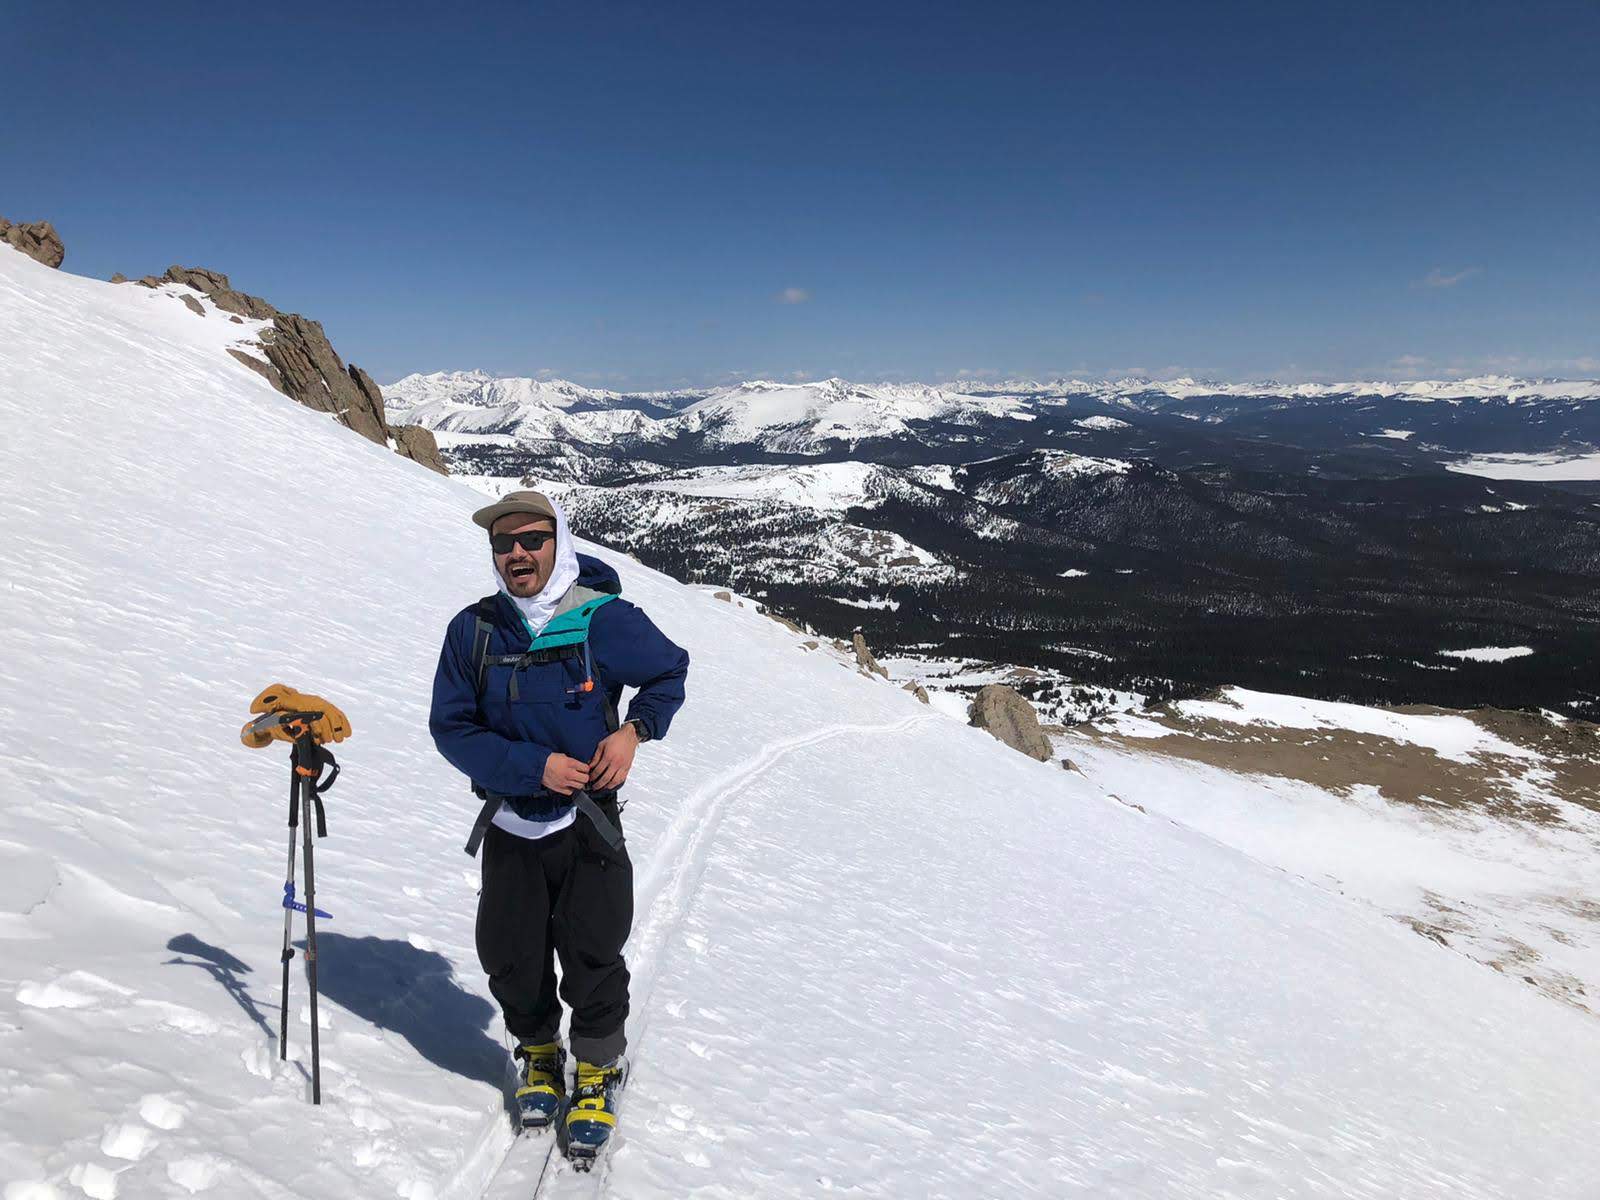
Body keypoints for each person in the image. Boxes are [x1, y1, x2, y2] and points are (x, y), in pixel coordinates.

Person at [429, 489, 689, 1160]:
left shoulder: (601, 619)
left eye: (532, 540)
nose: (518, 553)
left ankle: (598, 1070)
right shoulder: (475, 630)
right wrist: (530, 766)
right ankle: (540, 1055)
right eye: (504, 544)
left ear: (559, 542)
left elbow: (669, 671)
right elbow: (452, 728)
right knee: (511, 955)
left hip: (587, 825)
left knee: (593, 954)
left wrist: (635, 731)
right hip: (512, 825)